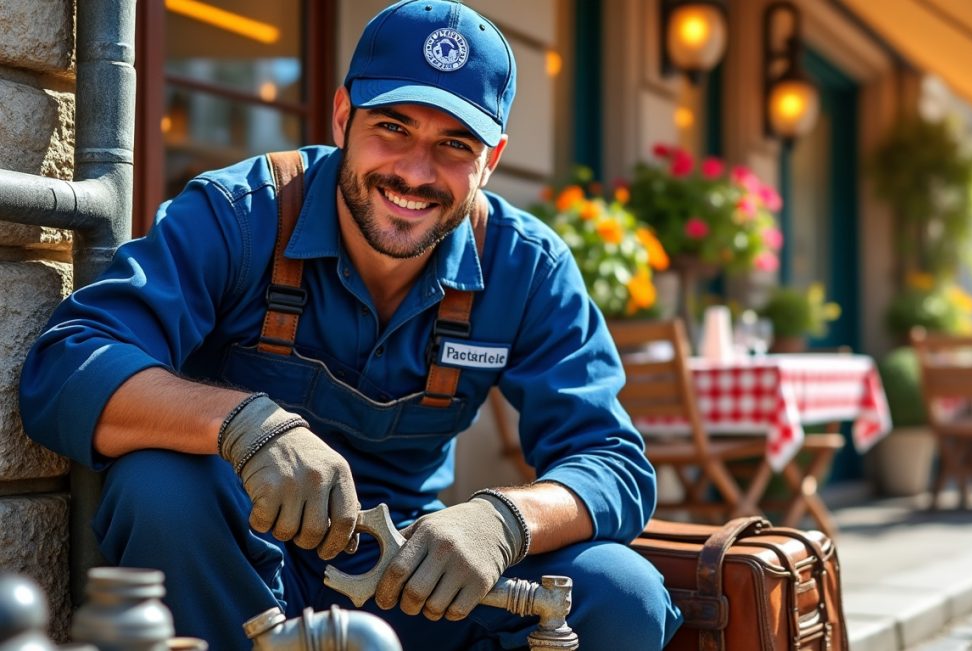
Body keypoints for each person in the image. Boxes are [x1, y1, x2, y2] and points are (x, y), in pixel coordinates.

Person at [18, 2, 682, 648]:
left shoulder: (526, 266)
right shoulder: (240, 213)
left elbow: (613, 462)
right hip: (237, 567)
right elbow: (69, 366)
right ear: (343, 117)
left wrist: (502, 521)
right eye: (393, 127)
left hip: (415, 583)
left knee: (621, 593)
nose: (415, 173)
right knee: (162, 486)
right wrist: (246, 426)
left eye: (454, 144)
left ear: (493, 159)